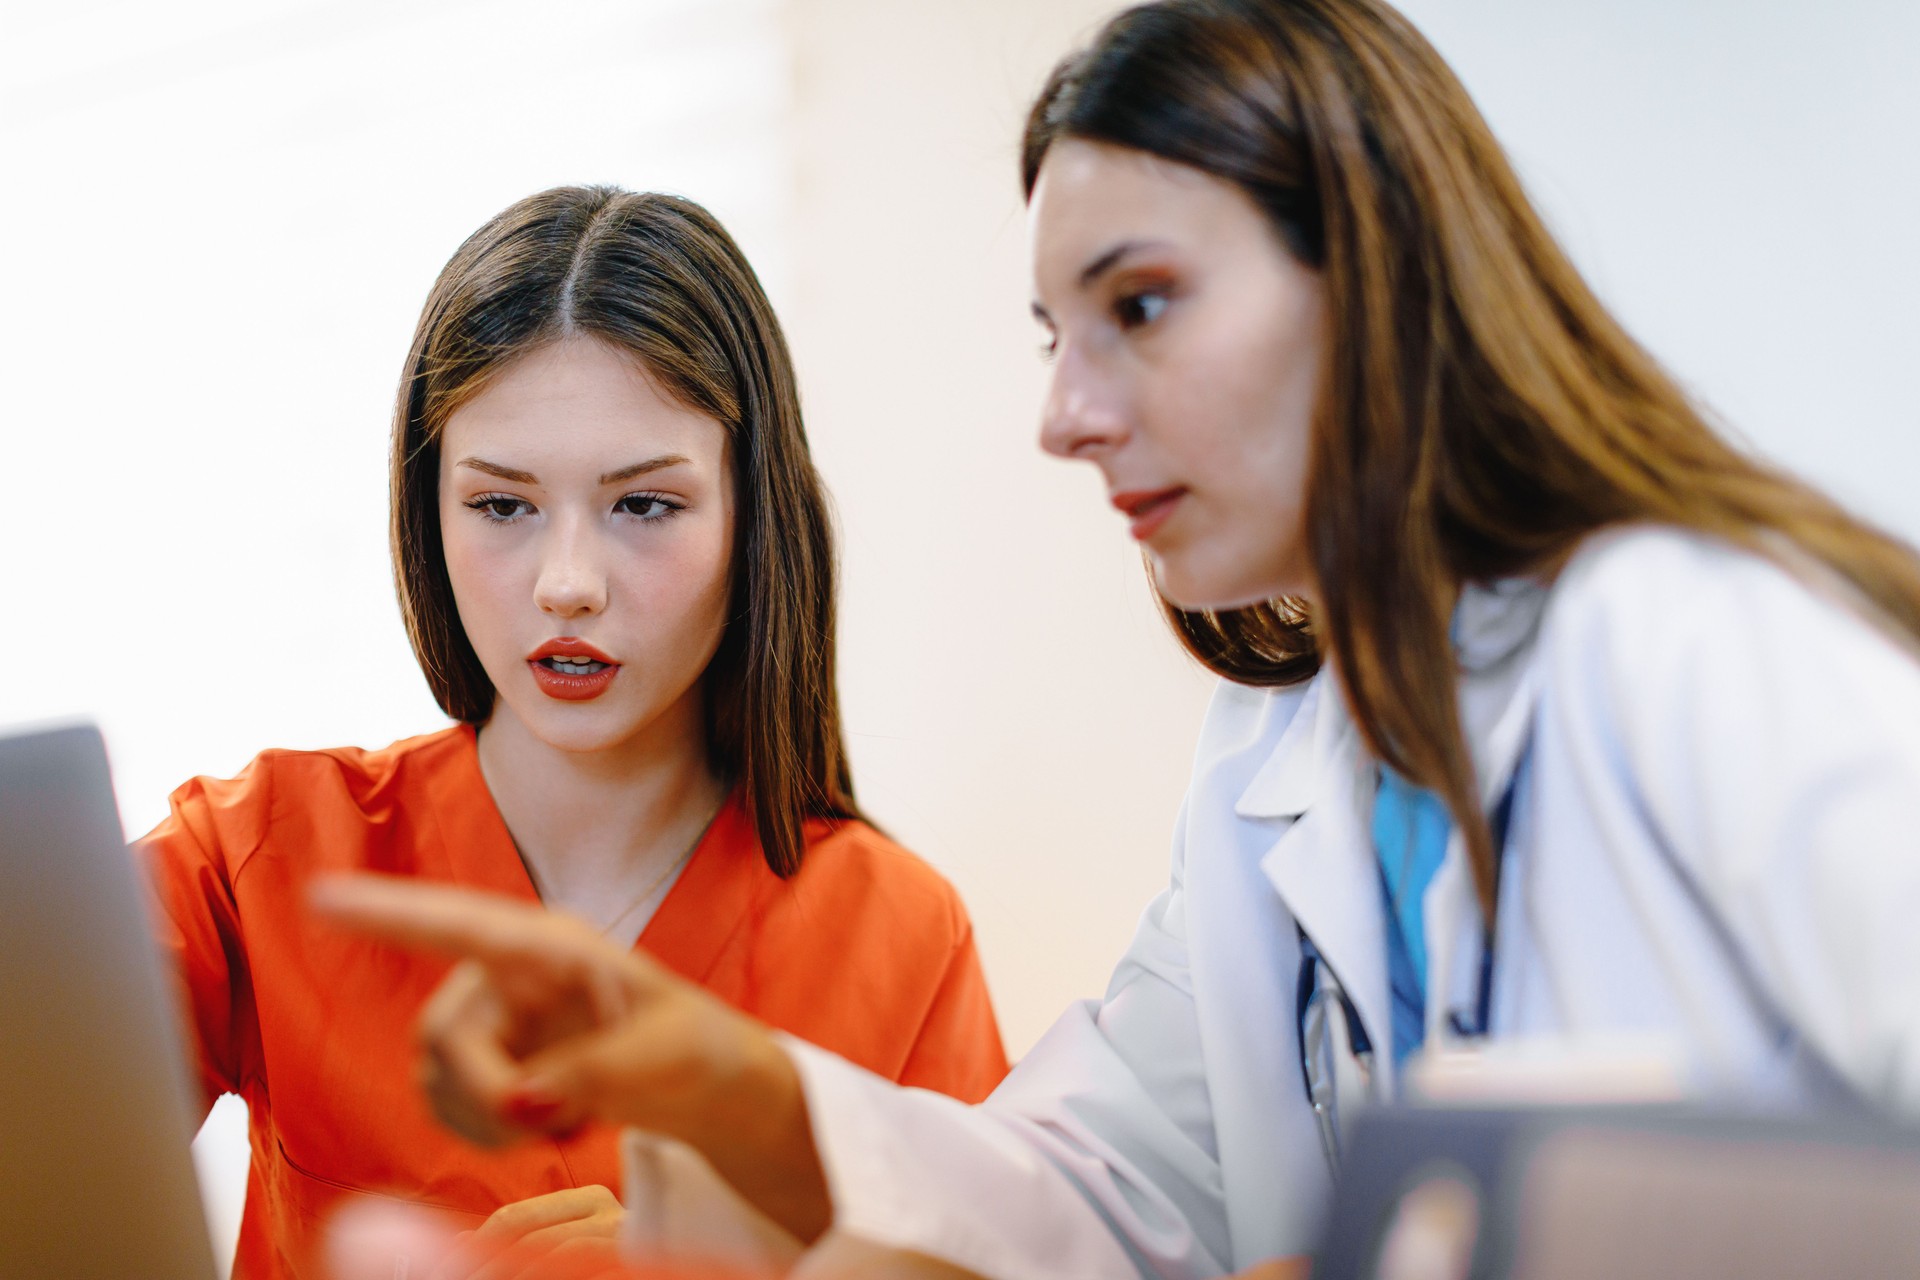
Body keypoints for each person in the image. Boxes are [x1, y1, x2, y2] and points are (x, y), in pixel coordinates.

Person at [313, 2, 1920, 1277]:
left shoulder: (1696, 643)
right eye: (1053, 339)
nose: (1065, 418)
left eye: (1137, 307)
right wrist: (707, 1081)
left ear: (1374, 270)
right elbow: (1091, 1193)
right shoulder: (1274, 766)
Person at [136, 185, 1009, 1279]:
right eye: (501, 505)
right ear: (428, 509)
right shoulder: (253, 857)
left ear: (753, 512)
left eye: (644, 505)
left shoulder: (900, 939)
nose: (567, 585)